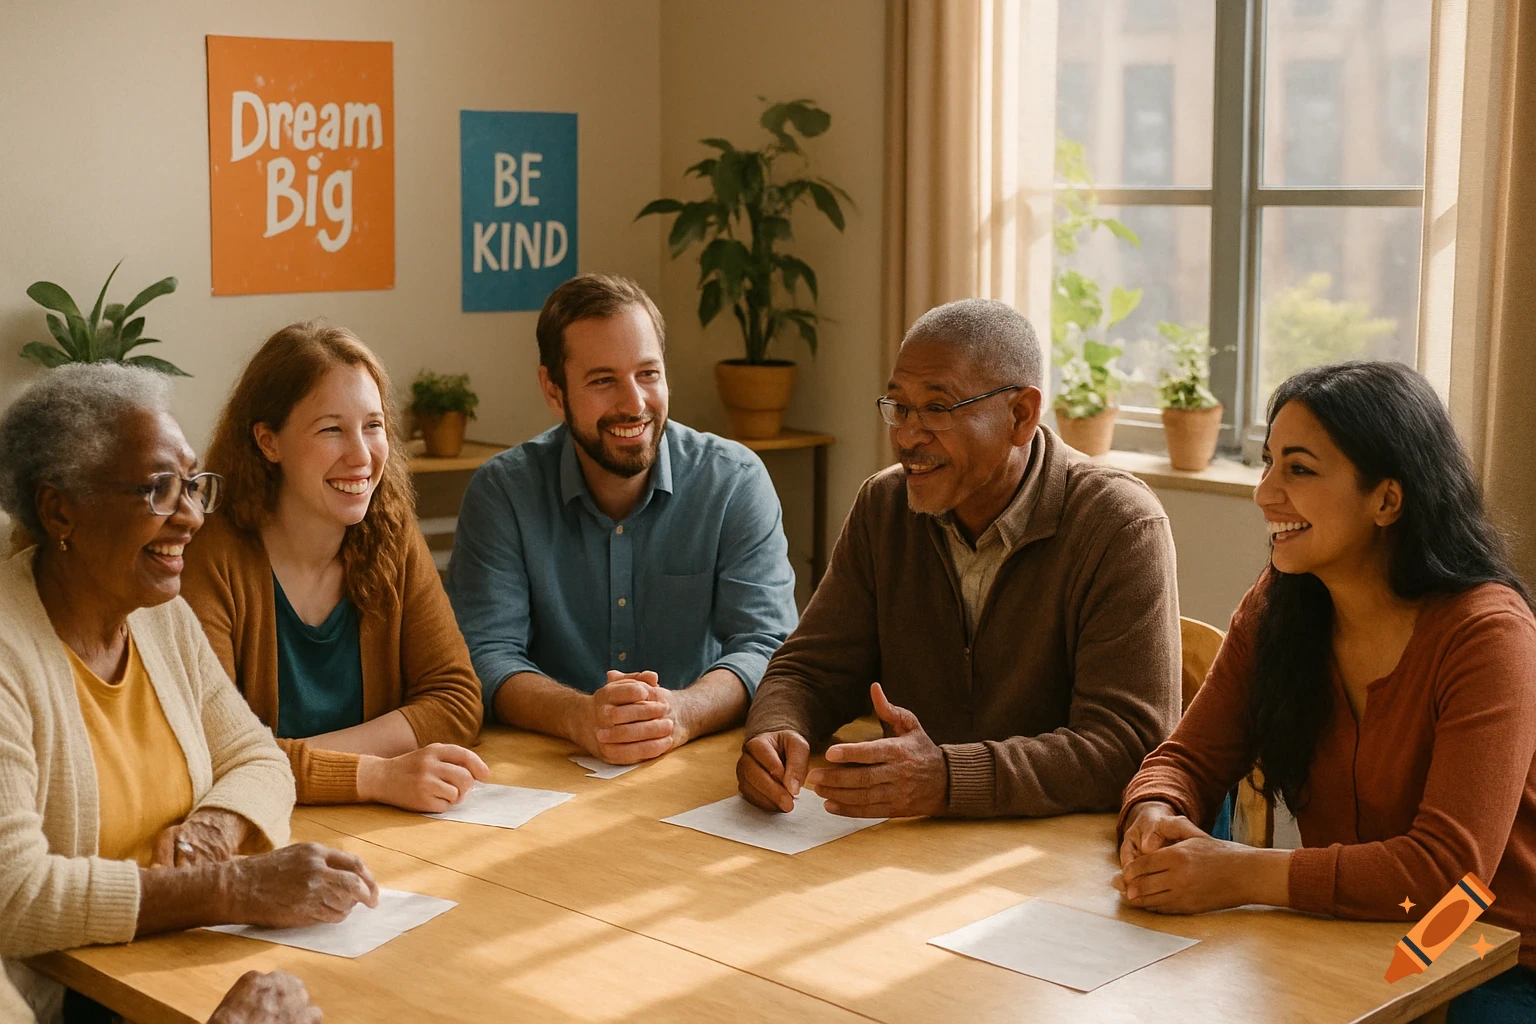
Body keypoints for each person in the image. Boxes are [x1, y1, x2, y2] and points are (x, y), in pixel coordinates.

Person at [1115, 361, 1536, 1023]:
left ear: (1387, 500)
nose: (1264, 493)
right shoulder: (1281, 604)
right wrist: (1153, 814)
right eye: (1267, 462)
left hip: (1493, 943)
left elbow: (1449, 874)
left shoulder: (1488, 633)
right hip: (1351, 929)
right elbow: (1187, 760)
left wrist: (1244, 873)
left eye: (1299, 469)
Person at [0, 364, 379, 1024]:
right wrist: (230, 886)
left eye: (193, 486)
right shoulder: (9, 650)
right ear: (60, 507)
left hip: (178, 968)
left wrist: (213, 828)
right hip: (75, 1002)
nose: (193, 517)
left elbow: (258, 761)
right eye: (157, 491)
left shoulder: (157, 615)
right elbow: (17, 896)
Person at [738, 298, 1181, 819]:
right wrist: (775, 730)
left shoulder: (1119, 524)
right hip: (907, 845)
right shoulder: (883, 507)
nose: (906, 436)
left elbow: (1128, 744)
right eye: (899, 406)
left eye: (937, 408)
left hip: (1056, 856)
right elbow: (809, 670)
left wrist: (948, 778)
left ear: (1021, 415)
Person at [447, 273, 799, 764]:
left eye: (648, 374)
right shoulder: (503, 492)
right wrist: (577, 715)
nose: (634, 404)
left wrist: (681, 712)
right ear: (553, 389)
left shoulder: (734, 482)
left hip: (700, 767)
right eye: (603, 380)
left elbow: (768, 644)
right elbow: (483, 657)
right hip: (546, 770)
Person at [182, 322, 486, 811]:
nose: (362, 456)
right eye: (331, 429)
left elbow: (455, 700)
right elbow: (212, 755)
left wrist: (286, 763)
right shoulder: (209, 556)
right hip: (257, 835)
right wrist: (376, 774)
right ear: (268, 442)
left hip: (384, 831)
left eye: (373, 425)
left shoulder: (391, 533)